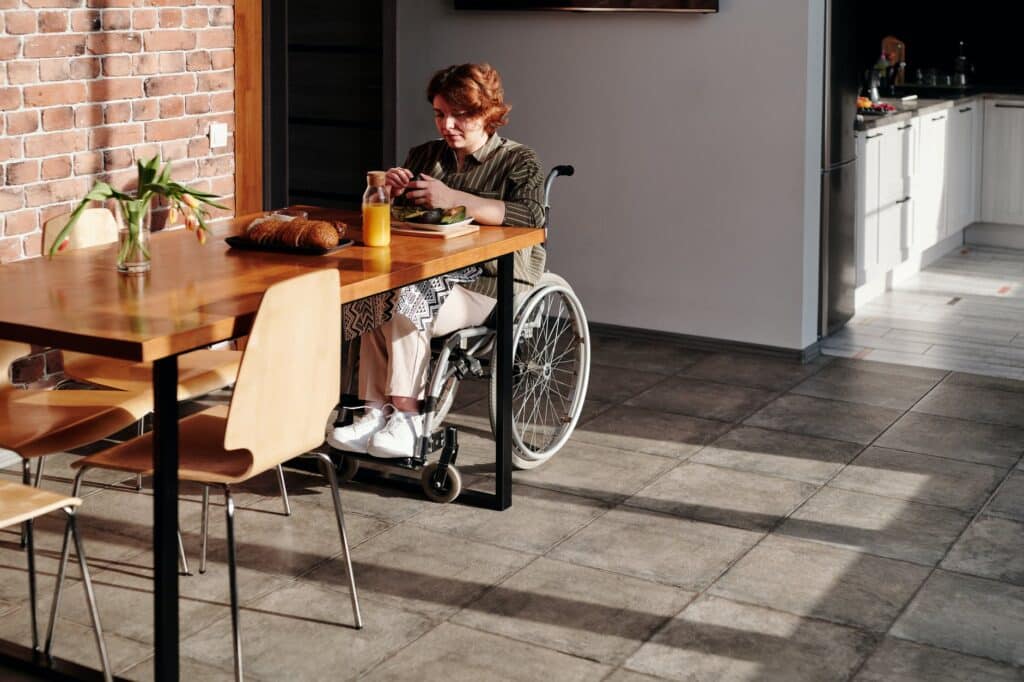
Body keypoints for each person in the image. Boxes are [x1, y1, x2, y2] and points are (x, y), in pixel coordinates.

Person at [327, 62, 546, 459]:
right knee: (374, 297)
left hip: (490, 282)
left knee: (406, 301)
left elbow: (531, 217)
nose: (448, 125)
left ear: (489, 113)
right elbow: (404, 224)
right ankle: (374, 413)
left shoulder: (518, 160)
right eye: (441, 114)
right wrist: (391, 195)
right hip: (427, 270)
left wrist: (454, 199)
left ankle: (408, 418)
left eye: (461, 115)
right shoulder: (426, 156)